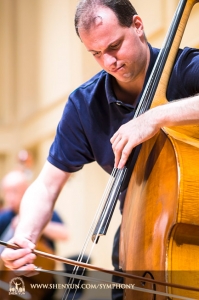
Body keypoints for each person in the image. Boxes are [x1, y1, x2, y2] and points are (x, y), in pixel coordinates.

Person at [1, 1, 199, 299]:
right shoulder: (85, 106)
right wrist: (25, 236)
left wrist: (158, 116)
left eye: (114, 45)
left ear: (138, 25)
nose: (109, 62)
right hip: (136, 254)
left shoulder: (184, 69)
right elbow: (46, 184)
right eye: (96, 53)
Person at [0, 170, 69, 299]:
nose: (9, 197)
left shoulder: (42, 209)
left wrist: (35, 224)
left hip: (41, 279)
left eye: (14, 191)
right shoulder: (5, 216)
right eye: (6, 192)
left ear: (26, 190)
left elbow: (64, 234)